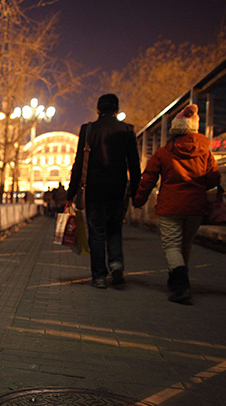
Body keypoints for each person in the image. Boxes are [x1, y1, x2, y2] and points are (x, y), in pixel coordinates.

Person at [133, 104, 220, 304]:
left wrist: (139, 200)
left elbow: (148, 179)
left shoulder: (163, 153)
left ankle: (181, 286)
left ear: (175, 129)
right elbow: (214, 179)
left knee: (172, 246)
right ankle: (176, 280)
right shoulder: (205, 152)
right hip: (195, 206)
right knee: (185, 245)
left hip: (170, 206)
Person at [67, 94, 141, 289]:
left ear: (98, 109)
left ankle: (99, 276)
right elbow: (134, 164)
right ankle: (116, 265)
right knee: (115, 228)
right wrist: (136, 192)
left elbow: (79, 163)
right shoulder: (127, 130)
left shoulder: (88, 130)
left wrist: (71, 192)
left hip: (94, 190)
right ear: (117, 110)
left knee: (97, 232)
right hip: (118, 190)